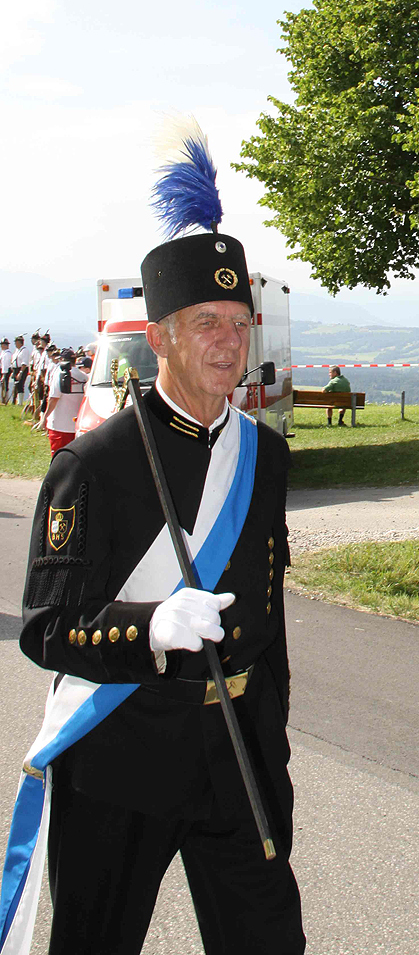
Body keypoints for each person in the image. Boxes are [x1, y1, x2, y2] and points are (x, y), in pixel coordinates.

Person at [11, 227, 306, 954]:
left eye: (240, 323)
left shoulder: (263, 454)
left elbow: (269, 613)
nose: (229, 341)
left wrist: (276, 735)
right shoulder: (94, 463)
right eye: (206, 321)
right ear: (160, 337)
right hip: (124, 754)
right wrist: (146, 627)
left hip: (239, 749)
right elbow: (46, 628)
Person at [37, 346, 88, 453]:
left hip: (59, 425)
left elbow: (53, 399)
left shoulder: (59, 375)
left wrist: (44, 417)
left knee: (58, 456)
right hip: (77, 425)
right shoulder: (84, 377)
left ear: (62, 360)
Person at [10, 335, 30, 405]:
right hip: (16, 369)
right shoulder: (16, 350)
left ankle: (20, 402)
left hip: (21, 369)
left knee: (20, 384)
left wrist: (21, 372)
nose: (15, 344)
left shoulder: (24, 350)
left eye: (16, 342)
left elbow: (24, 363)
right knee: (16, 385)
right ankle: (15, 401)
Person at [0, 339, 11, 404]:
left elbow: (5, 364)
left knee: (5, 385)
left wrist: (4, 374)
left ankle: (5, 399)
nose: (1, 346)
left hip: (5, 371)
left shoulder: (7, 354)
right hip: (2, 370)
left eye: (3, 344)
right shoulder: (3, 352)